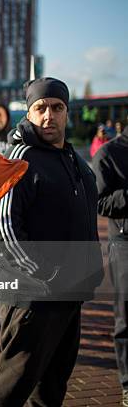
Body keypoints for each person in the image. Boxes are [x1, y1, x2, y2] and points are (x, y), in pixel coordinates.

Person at [0, 77, 103, 406]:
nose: (49, 115)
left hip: (69, 292)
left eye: (57, 108)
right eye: (40, 108)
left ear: (67, 112)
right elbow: (3, 227)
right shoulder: (19, 158)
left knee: (52, 386)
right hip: (33, 295)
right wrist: (46, 273)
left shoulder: (72, 158)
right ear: (29, 113)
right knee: (11, 388)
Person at [92, 125, 128, 407]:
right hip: (124, 243)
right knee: (126, 319)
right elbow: (101, 203)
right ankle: (127, 384)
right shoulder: (108, 153)